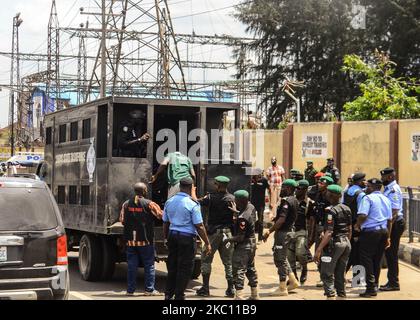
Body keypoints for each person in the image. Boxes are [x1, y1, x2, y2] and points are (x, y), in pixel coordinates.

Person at [162, 177, 211, 300]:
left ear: (179, 187)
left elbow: (165, 223)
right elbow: (199, 226)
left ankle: (168, 294)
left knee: (172, 266)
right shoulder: (192, 204)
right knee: (185, 268)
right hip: (187, 238)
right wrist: (207, 243)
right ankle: (179, 295)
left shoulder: (170, 201)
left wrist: (165, 238)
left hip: (172, 235)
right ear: (191, 188)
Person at [119, 182, 163, 296]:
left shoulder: (126, 204)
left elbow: (122, 220)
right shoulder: (150, 204)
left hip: (130, 241)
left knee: (132, 266)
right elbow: (160, 216)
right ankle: (149, 290)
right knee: (149, 265)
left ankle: (130, 290)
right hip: (146, 241)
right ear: (144, 191)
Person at [196, 176, 235, 298]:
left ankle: (205, 288)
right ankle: (231, 289)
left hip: (213, 234)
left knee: (206, 259)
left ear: (217, 185)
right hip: (227, 234)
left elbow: (197, 201)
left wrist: (192, 192)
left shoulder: (210, 197)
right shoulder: (232, 198)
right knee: (228, 262)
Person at [314, 184, 352, 300]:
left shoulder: (331, 211)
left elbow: (329, 232)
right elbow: (349, 229)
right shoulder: (347, 208)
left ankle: (330, 296)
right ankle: (341, 296)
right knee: (340, 272)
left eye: (327, 193)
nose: (326, 194)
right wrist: (345, 241)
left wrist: (319, 249)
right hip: (346, 243)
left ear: (331, 195)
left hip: (335, 243)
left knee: (326, 273)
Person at [263, 179, 300, 296]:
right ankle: (293, 281)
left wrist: (269, 230)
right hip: (289, 232)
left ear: (288, 189)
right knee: (283, 258)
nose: (280, 189)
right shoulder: (294, 200)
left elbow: (282, 220)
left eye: (283, 187)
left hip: (283, 233)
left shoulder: (286, 202)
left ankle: (282, 287)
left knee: (280, 259)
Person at [356, 178, 392, 298]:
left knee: (366, 259)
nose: (366, 188)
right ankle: (375, 285)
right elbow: (390, 220)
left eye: (368, 186)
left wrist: (358, 225)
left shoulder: (367, 198)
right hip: (383, 231)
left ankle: (370, 288)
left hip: (370, 232)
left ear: (371, 187)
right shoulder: (386, 199)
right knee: (377, 259)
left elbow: (363, 215)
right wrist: (388, 237)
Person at [223, 190, 259, 300]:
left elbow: (240, 237)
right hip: (252, 242)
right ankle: (254, 294)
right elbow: (253, 220)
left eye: (236, 200)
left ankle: (239, 296)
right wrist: (237, 213)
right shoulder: (251, 206)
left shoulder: (242, 218)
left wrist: (228, 239)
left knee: (239, 269)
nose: (235, 202)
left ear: (241, 201)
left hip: (244, 245)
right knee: (250, 268)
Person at [380, 167, 406, 292]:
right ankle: (392, 281)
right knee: (390, 254)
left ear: (390, 177)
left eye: (383, 177)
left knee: (392, 253)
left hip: (395, 224)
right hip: (392, 223)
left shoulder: (393, 190)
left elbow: (394, 212)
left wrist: (388, 234)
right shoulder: (388, 188)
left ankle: (394, 283)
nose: (381, 179)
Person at [308, 175, 334, 287]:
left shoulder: (330, 198)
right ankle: (322, 276)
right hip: (318, 227)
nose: (319, 184)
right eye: (319, 183)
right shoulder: (318, 195)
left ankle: (328, 277)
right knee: (318, 253)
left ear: (327, 186)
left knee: (327, 253)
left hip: (327, 228)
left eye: (322, 183)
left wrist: (326, 229)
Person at [287, 179, 314, 285]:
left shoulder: (309, 203)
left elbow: (312, 220)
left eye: (299, 189)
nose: (297, 190)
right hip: (290, 231)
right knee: (289, 256)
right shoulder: (291, 200)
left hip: (302, 231)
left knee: (300, 253)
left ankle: (304, 268)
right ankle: (294, 277)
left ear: (305, 190)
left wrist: (311, 236)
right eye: (296, 188)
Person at [342, 172, 366, 274]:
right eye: (364, 180)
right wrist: (359, 226)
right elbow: (362, 212)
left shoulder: (347, 191)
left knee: (348, 251)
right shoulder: (360, 194)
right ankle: (358, 280)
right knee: (358, 253)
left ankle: (340, 276)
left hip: (347, 225)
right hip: (357, 226)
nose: (365, 182)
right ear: (359, 181)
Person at [250, 169, 270, 243]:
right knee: (251, 220)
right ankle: (252, 237)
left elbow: (269, 188)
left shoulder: (264, 180)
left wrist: (270, 199)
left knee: (261, 221)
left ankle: (260, 238)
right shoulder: (251, 180)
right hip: (252, 203)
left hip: (261, 203)